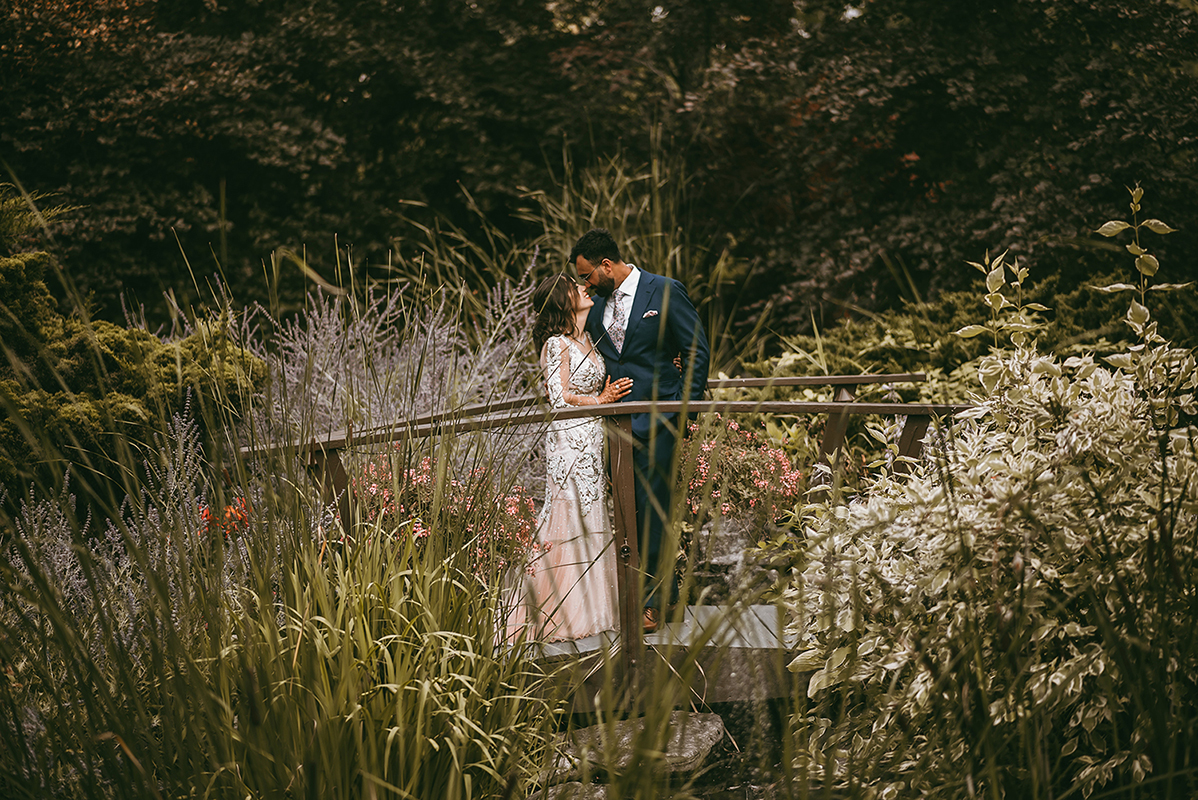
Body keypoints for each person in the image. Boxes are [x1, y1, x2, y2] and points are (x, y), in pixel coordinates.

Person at [570, 228, 710, 633]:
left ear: (607, 265)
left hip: (660, 419)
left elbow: (695, 348)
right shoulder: (595, 307)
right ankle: (658, 598)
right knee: (630, 513)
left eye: (587, 275)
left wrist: (683, 412)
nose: (585, 284)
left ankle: (653, 602)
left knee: (654, 509)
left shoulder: (663, 290)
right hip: (614, 425)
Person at [513, 274, 633, 642]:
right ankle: (554, 611)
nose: (585, 287)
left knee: (595, 512)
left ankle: (594, 607)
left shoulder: (588, 340)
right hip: (568, 443)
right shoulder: (556, 344)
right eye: (574, 285)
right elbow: (559, 398)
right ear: (564, 300)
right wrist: (602, 400)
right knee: (569, 514)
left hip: (593, 439)